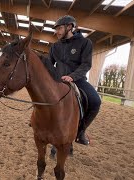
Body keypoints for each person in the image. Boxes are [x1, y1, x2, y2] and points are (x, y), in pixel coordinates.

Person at [41, 15, 101, 145]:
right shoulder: (55, 46)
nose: (56, 32)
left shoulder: (85, 43)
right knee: (41, 92)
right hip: (58, 80)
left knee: (96, 101)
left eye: (59, 28)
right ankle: (38, 121)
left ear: (69, 27)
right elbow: (49, 65)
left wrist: (72, 76)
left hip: (77, 80)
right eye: (56, 29)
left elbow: (86, 64)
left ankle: (81, 131)